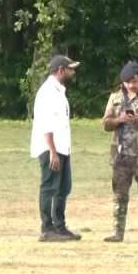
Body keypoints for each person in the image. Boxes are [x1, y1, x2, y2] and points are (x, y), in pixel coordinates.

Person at [100, 61, 138, 243]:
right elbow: (105, 123)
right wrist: (119, 119)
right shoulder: (115, 97)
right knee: (119, 196)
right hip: (121, 155)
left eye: (134, 81)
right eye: (127, 82)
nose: (131, 85)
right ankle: (117, 233)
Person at [31, 55, 82, 241]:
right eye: (70, 68)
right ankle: (47, 228)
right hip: (51, 148)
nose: (72, 72)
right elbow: (46, 124)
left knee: (63, 187)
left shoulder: (59, 90)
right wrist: (52, 151)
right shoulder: (48, 92)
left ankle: (59, 226)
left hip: (62, 147)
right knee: (49, 187)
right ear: (61, 70)